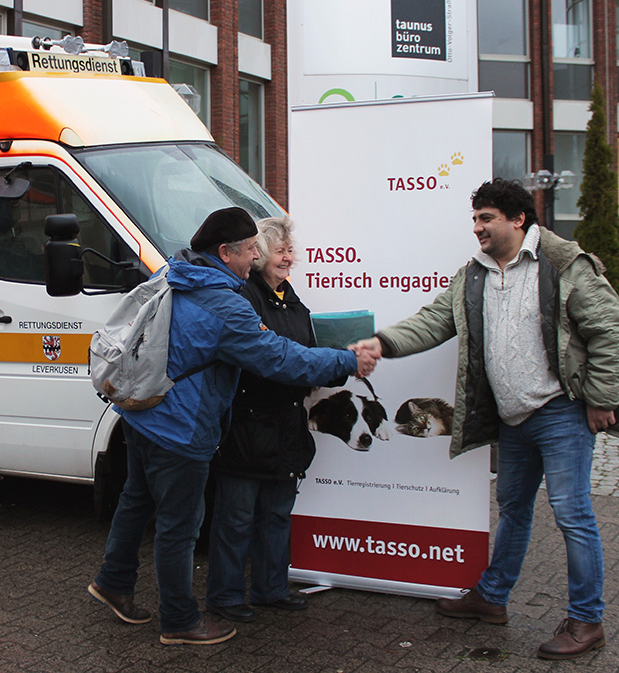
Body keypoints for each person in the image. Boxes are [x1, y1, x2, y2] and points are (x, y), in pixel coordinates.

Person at [353, 178, 619, 660]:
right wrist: (382, 343)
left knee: (572, 514)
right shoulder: (473, 274)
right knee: (513, 509)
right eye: (475, 218)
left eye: (486, 218)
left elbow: (607, 327)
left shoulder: (562, 263)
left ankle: (587, 619)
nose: (477, 227)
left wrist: (602, 398)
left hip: (561, 411)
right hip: (513, 418)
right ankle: (492, 598)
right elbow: (434, 321)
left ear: (518, 219)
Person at [88, 207, 377, 646]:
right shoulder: (224, 302)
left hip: (142, 412)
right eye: (248, 252)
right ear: (225, 253)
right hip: (180, 429)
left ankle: (114, 581)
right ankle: (181, 621)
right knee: (179, 526)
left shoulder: (178, 273)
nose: (252, 261)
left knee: (136, 500)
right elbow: (277, 358)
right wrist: (345, 360)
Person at [206, 217, 341, 623]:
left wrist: (334, 363)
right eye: (280, 249)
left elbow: (306, 351)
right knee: (237, 518)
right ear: (258, 253)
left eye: (290, 250)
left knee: (278, 514)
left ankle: (271, 588)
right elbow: (267, 358)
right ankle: (226, 598)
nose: (288, 257)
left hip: (286, 425)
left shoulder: (292, 298)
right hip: (247, 426)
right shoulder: (243, 297)